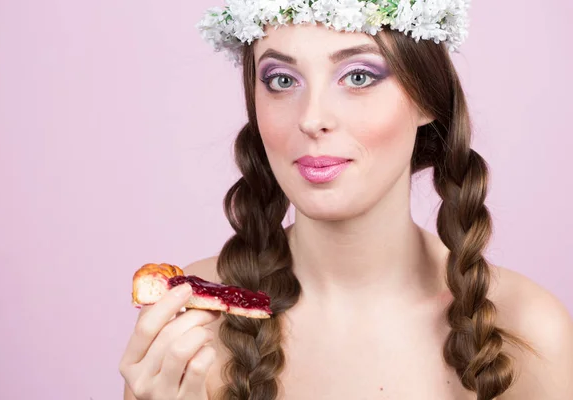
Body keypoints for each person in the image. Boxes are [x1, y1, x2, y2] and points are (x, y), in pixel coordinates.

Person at [119, 1, 573, 399]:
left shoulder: (527, 330)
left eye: (358, 76)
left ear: (426, 100)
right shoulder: (189, 324)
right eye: (280, 80)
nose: (312, 118)